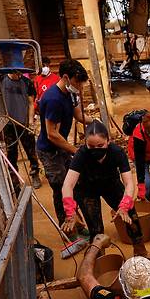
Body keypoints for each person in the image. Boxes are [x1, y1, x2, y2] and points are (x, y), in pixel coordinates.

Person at [61, 120, 147, 256]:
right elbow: (68, 184)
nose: (96, 149)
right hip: (87, 190)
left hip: (111, 186)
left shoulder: (117, 152)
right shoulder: (81, 155)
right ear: (85, 144)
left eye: (100, 145)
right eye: (91, 146)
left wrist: (125, 205)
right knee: (96, 230)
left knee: (131, 217)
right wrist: (70, 211)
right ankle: (99, 259)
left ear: (108, 141)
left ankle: (140, 250)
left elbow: (129, 183)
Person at [36, 59, 93, 229]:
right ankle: (67, 228)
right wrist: (76, 151)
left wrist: (95, 122)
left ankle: (77, 220)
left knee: (73, 183)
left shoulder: (70, 92)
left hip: (61, 148)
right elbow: (52, 134)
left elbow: (77, 114)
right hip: (50, 151)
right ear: (66, 77)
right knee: (61, 188)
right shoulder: (53, 99)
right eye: (77, 82)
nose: (80, 87)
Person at [1, 69, 42, 191]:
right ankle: (14, 179)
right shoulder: (1, 79)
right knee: (11, 152)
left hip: (23, 123)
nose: (18, 75)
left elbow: (30, 104)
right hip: (8, 124)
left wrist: (30, 122)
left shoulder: (27, 82)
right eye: (16, 72)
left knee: (31, 150)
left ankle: (35, 173)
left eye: (20, 72)